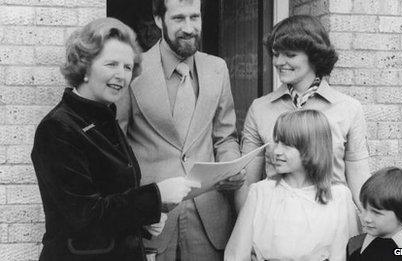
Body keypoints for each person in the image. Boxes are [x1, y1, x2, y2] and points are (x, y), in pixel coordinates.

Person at [31, 17, 200, 261]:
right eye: (111, 64)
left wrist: (144, 222)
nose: (121, 75)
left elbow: (114, 199)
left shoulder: (105, 117)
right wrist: (156, 196)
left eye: (128, 67)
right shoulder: (58, 128)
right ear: (85, 67)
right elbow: (84, 216)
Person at [116, 0, 244, 259]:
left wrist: (232, 165)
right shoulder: (131, 69)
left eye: (194, 17)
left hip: (210, 222)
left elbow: (225, 137)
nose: (189, 28)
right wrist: (135, 205)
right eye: (178, 19)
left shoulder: (217, 68)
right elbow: (118, 148)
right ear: (158, 19)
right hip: (152, 222)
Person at [237, 14, 370, 211]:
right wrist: (249, 229)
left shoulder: (349, 109)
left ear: (314, 56)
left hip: (333, 222)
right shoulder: (260, 108)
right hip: (277, 224)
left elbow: (360, 185)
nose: (279, 62)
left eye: (290, 55)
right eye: (276, 54)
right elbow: (247, 183)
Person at [225, 110, 359, 261]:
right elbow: (236, 254)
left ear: (312, 149)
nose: (277, 151)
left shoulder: (339, 197)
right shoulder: (260, 193)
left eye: (287, 145)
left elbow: (346, 253)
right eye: (276, 142)